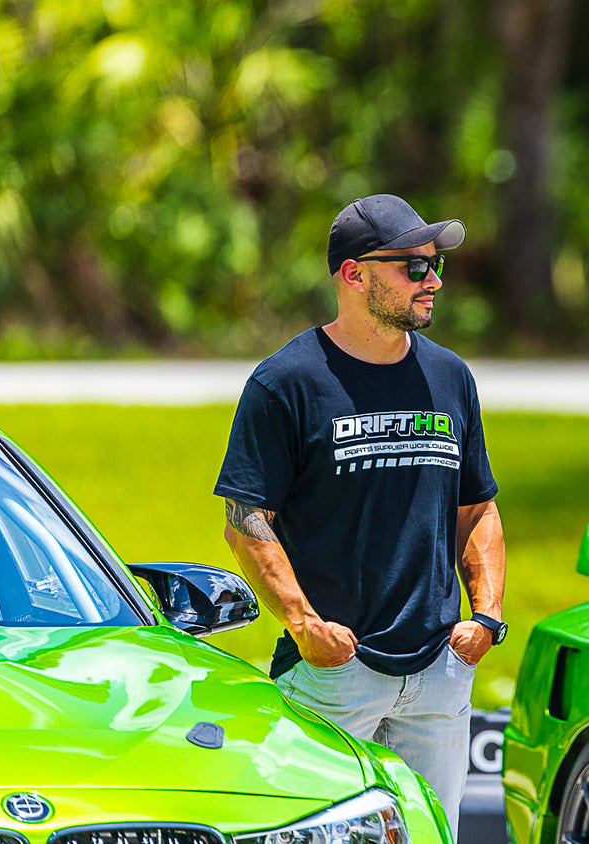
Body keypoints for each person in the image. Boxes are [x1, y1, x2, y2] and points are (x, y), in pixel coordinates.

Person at [215, 194, 506, 838]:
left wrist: (486, 617)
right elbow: (245, 520)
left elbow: (477, 507)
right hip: (334, 676)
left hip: (439, 670)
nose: (433, 281)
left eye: (436, 265)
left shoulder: (450, 377)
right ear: (353, 274)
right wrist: (304, 627)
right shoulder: (286, 383)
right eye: (413, 266)